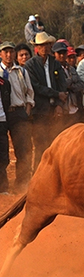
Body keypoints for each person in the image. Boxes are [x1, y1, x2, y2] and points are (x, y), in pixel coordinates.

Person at [24, 32, 68, 169]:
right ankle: (37, 176)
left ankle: (54, 175)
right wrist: (57, 94)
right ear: (36, 47)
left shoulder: (55, 63)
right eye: (41, 45)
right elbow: (35, 87)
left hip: (55, 110)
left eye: (47, 44)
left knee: (55, 144)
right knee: (40, 146)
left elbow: (63, 85)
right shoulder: (30, 65)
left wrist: (59, 104)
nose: (45, 48)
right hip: (40, 111)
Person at [0, 42, 35, 191]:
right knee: (2, 152)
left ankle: (23, 183)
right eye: (5, 52)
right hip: (2, 114)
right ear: (0, 54)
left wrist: (27, 109)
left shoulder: (22, 71)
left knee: (23, 149)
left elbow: (30, 92)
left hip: (18, 112)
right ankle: (3, 186)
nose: (9, 55)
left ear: (15, 53)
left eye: (11, 52)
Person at [52, 41, 84, 128]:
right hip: (62, 110)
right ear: (54, 54)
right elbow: (60, 85)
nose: (62, 55)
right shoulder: (51, 69)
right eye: (59, 53)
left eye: (64, 53)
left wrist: (70, 85)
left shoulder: (71, 68)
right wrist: (71, 82)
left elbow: (81, 85)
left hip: (75, 109)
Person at [0, 75, 11, 193]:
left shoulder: (4, 83)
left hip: (2, 121)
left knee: (3, 156)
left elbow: (7, 102)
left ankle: (3, 187)